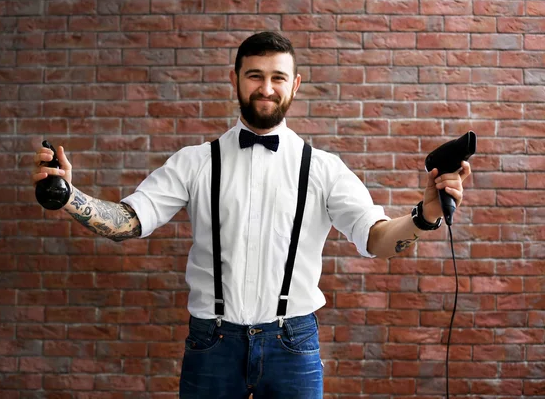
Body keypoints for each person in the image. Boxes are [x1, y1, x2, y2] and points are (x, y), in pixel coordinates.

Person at [32, 31, 471, 399]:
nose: (266, 88)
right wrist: (69, 196)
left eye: (278, 77)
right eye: (255, 76)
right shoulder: (194, 162)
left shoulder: (322, 168)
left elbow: (376, 239)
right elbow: (129, 220)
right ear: (235, 80)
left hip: (293, 343)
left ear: (295, 85)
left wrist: (425, 213)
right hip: (211, 342)